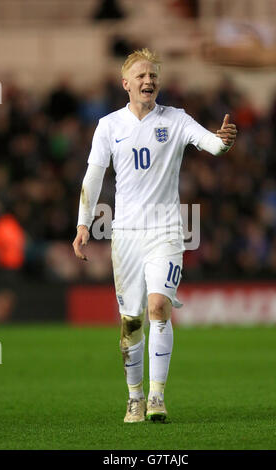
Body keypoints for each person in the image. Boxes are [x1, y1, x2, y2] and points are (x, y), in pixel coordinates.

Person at [72, 48, 237, 423]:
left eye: (154, 76)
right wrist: (83, 224)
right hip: (126, 234)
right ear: (125, 83)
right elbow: (93, 177)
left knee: (158, 307)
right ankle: (134, 397)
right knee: (130, 321)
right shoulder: (109, 126)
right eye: (141, 76)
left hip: (166, 231)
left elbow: (212, 144)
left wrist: (223, 140)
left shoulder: (176, 119)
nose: (149, 81)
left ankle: (157, 397)